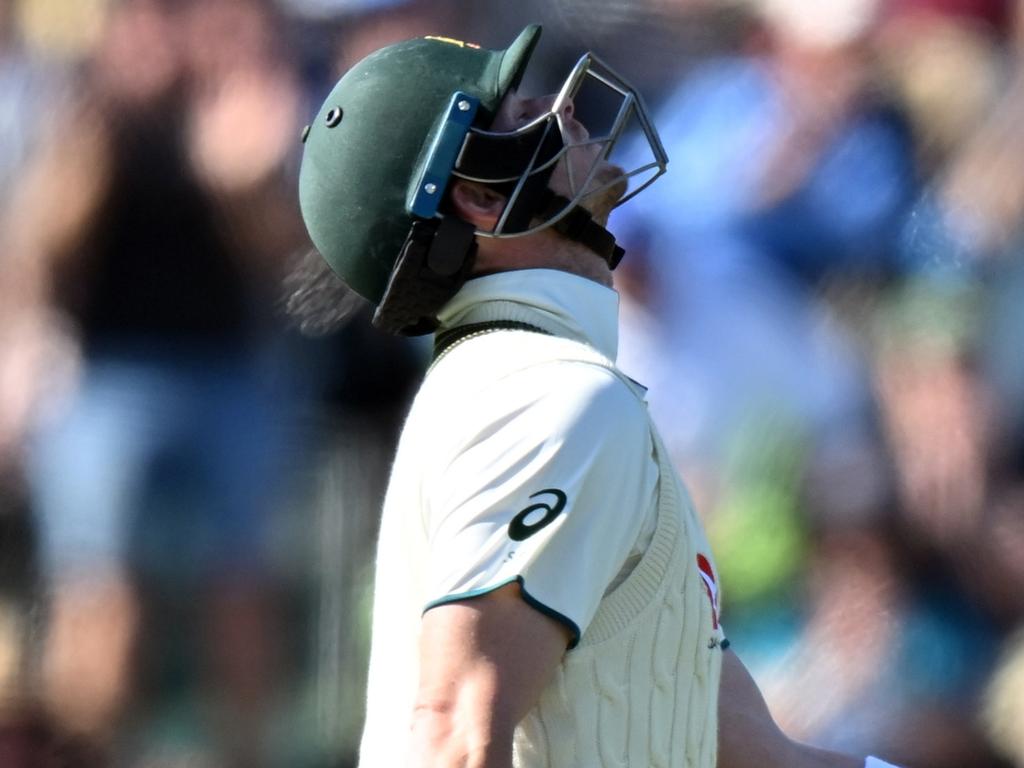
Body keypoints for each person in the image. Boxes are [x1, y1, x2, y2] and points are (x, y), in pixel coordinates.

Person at [296, 23, 905, 768]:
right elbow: (452, 739)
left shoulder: (548, 385)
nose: (562, 106)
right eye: (521, 114)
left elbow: (741, 748)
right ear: (481, 198)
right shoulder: (548, 396)